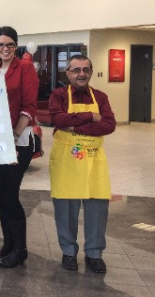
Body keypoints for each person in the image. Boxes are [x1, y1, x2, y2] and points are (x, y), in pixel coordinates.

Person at [48, 55, 116, 274]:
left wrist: (76, 127)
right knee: (66, 208)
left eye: (86, 70)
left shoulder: (101, 96)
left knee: (97, 208)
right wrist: (90, 117)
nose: (81, 74)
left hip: (94, 159)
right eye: (76, 70)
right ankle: (69, 252)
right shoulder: (58, 95)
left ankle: (94, 254)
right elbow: (58, 120)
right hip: (67, 160)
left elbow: (109, 125)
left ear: (90, 72)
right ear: (67, 73)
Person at [0, 26, 39, 269]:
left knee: (10, 194)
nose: (4, 48)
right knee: (1, 196)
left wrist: (14, 137)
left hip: (19, 140)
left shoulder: (26, 68)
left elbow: (29, 105)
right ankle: (8, 244)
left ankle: (20, 249)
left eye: (9, 44)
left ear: (15, 46)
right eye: (0, 45)